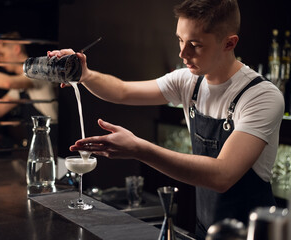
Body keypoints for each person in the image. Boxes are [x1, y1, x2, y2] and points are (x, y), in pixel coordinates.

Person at [48, 0, 284, 239]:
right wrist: (85, 74)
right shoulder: (189, 82)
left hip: (253, 234)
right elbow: (122, 91)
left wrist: (139, 149)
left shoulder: (260, 96)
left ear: (229, 43)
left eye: (195, 44)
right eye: (180, 40)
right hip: (205, 231)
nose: (183, 53)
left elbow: (222, 175)